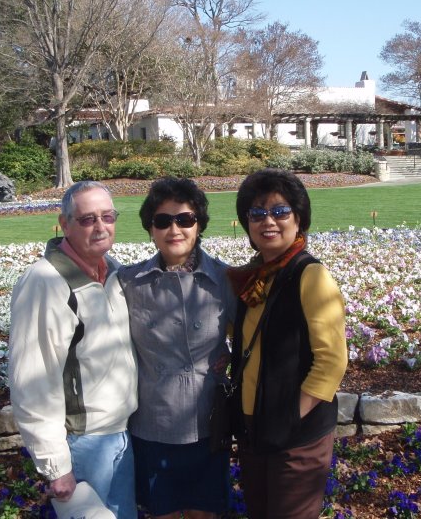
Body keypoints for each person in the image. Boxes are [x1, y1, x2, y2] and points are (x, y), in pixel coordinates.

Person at [8, 181, 138, 519]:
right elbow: (33, 379)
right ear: (64, 224)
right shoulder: (45, 282)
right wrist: (56, 465)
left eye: (108, 217)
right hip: (83, 443)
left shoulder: (114, 271)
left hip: (120, 435)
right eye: (87, 219)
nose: (100, 227)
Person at [227, 168, 348, 519]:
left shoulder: (310, 275)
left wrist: (290, 415)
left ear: (298, 219)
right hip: (254, 431)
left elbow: (331, 361)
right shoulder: (255, 277)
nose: (269, 221)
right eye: (257, 213)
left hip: (295, 436)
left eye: (280, 211)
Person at [118, 177, 234, 519]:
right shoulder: (128, 283)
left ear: (199, 224)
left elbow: (252, 336)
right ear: (150, 228)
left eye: (185, 219)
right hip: (154, 424)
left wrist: (230, 360)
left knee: (205, 513)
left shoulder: (226, 280)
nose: (175, 229)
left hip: (208, 424)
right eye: (163, 221)